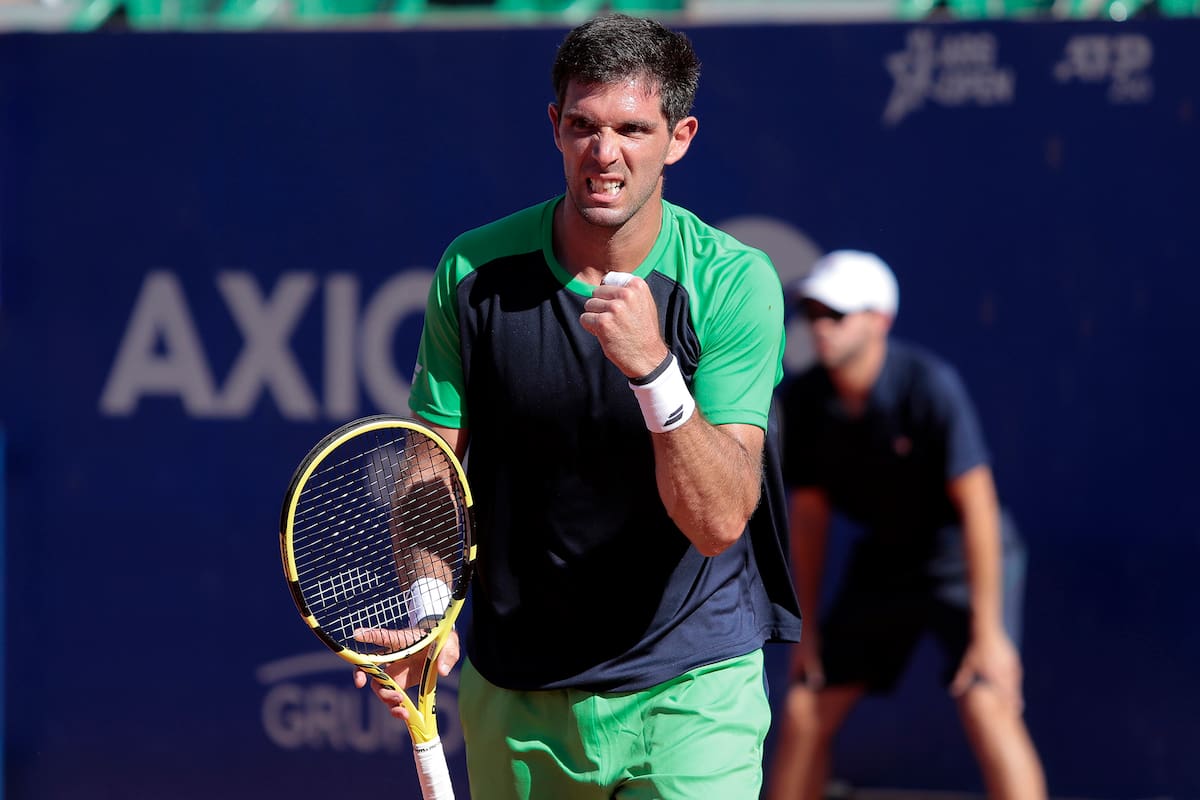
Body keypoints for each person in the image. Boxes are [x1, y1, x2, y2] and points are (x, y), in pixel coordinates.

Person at [353, 13, 802, 799]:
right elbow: (432, 472)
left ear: (680, 137)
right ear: (555, 127)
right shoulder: (473, 272)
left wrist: (655, 373)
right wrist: (430, 611)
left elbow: (720, 519)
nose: (605, 154)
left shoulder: (733, 282)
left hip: (690, 690)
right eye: (585, 126)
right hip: (518, 686)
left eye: (633, 128)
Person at [764, 249, 1047, 800]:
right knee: (805, 703)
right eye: (813, 313)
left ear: (879, 322)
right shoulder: (802, 401)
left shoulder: (929, 386)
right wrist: (808, 629)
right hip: (886, 561)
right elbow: (812, 517)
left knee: (987, 697)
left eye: (836, 315)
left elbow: (979, 509)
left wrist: (989, 635)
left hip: (963, 555)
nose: (820, 327)